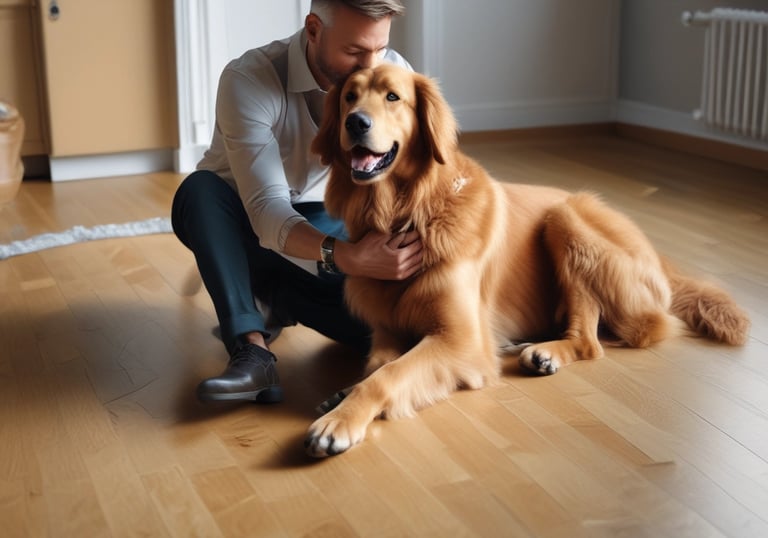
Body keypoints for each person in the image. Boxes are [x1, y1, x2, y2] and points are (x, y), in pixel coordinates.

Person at [171, 0, 422, 404]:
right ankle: (251, 350)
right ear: (313, 29)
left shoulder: (393, 73)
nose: (371, 66)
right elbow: (267, 212)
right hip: (236, 227)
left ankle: (280, 300)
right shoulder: (249, 78)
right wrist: (349, 258)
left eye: (379, 49)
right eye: (355, 51)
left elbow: (409, 182)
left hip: (323, 220)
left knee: (388, 328)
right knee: (197, 191)